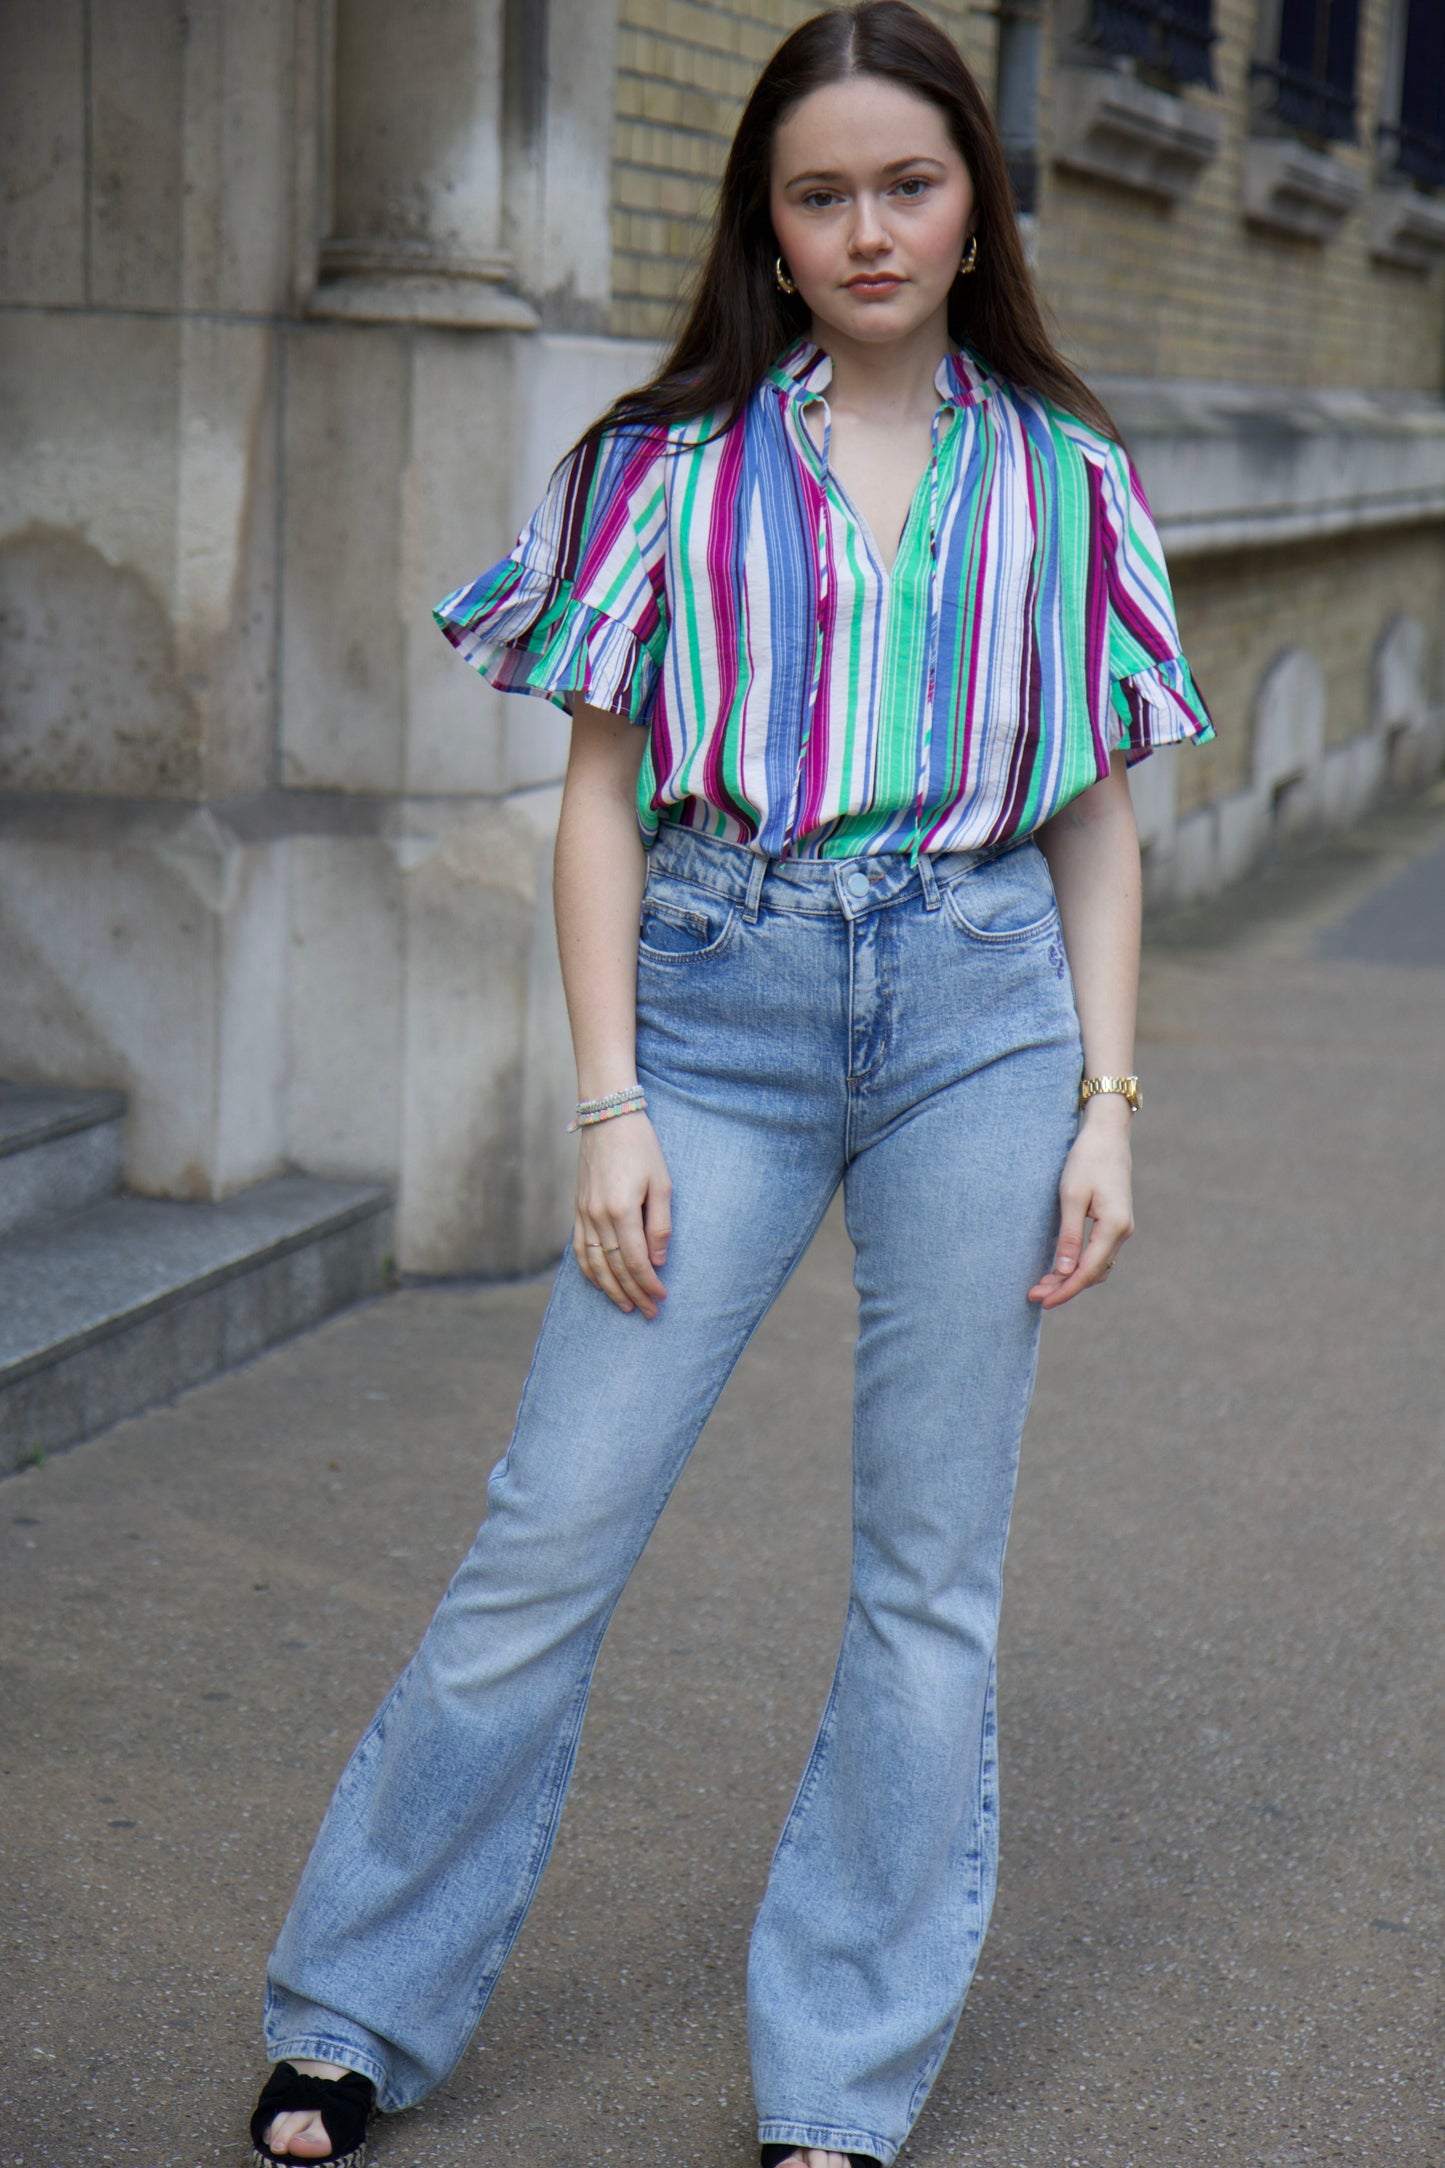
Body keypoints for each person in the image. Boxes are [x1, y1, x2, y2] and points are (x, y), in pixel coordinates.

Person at [247, 5, 1213, 2164]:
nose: (867, 228)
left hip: (983, 1007)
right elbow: (598, 804)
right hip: (718, 1002)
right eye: (820, 192)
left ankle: (840, 2086)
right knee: (552, 1529)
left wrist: (1109, 1102)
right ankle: (354, 2005)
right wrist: (613, 1103)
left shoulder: (1070, 475)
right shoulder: (661, 466)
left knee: (925, 1576)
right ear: (766, 228)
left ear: (976, 202)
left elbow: (1094, 817)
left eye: (909, 182)